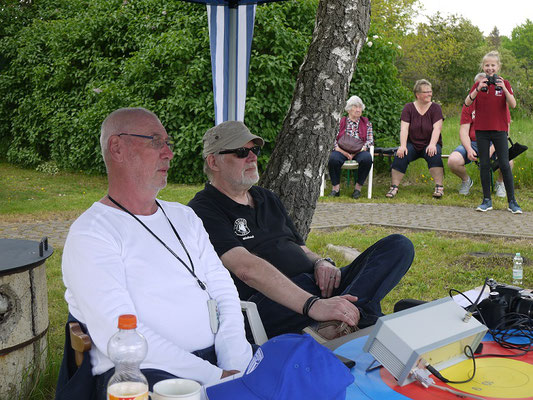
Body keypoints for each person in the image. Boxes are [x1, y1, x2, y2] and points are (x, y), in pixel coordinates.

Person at [61, 108, 252, 399]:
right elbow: (122, 335)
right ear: (117, 148)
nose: (168, 153)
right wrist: (216, 377)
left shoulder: (184, 216)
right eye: (155, 141)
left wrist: (235, 363)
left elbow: (223, 290)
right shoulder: (92, 233)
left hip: (218, 363)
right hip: (142, 373)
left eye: (168, 143)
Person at [188, 120, 414, 341]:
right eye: (241, 152)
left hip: (317, 288)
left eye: (254, 149)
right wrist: (312, 305)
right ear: (213, 162)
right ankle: (358, 320)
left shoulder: (266, 197)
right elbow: (245, 268)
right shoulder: (203, 209)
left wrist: (321, 263)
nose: (253, 157)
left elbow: (301, 248)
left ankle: (341, 323)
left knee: (398, 245)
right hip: (272, 302)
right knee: (368, 303)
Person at [464, 51, 521, 213]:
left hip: (499, 130)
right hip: (481, 130)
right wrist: (478, 88)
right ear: (483, 67)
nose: (490, 68)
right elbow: (467, 102)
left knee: (504, 164)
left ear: (498, 67)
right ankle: (486, 200)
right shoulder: (478, 84)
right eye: (487, 65)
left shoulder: (505, 83)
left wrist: (504, 88)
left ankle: (512, 202)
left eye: (493, 65)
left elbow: (513, 104)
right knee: (484, 164)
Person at [448, 73, 514, 197]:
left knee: (509, 162)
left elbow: (506, 132)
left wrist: (491, 149)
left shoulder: (501, 103)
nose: (485, 86)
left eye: (487, 83)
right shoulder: (469, 104)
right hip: (474, 142)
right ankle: (466, 181)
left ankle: (500, 183)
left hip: (495, 142)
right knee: (453, 160)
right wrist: (468, 149)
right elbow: (463, 131)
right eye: (481, 84)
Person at [386, 79, 444, 198]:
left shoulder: (436, 108)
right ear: (418, 95)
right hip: (412, 143)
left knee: (434, 154)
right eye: (426, 92)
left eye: (430, 91)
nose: (429, 94)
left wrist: (433, 144)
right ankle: (394, 187)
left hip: (430, 143)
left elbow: (437, 128)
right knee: (400, 155)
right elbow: (404, 129)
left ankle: (439, 187)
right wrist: (402, 146)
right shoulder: (408, 108)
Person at [327, 95, 374, 199]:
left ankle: (358, 189)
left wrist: (358, 151)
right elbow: (332, 139)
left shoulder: (366, 123)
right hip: (341, 150)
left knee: (367, 159)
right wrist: (342, 151)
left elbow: (370, 141)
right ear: (348, 109)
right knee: (333, 159)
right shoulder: (340, 122)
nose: (358, 110)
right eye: (355, 107)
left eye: (360, 107)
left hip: (359, 151)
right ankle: (336, 189)